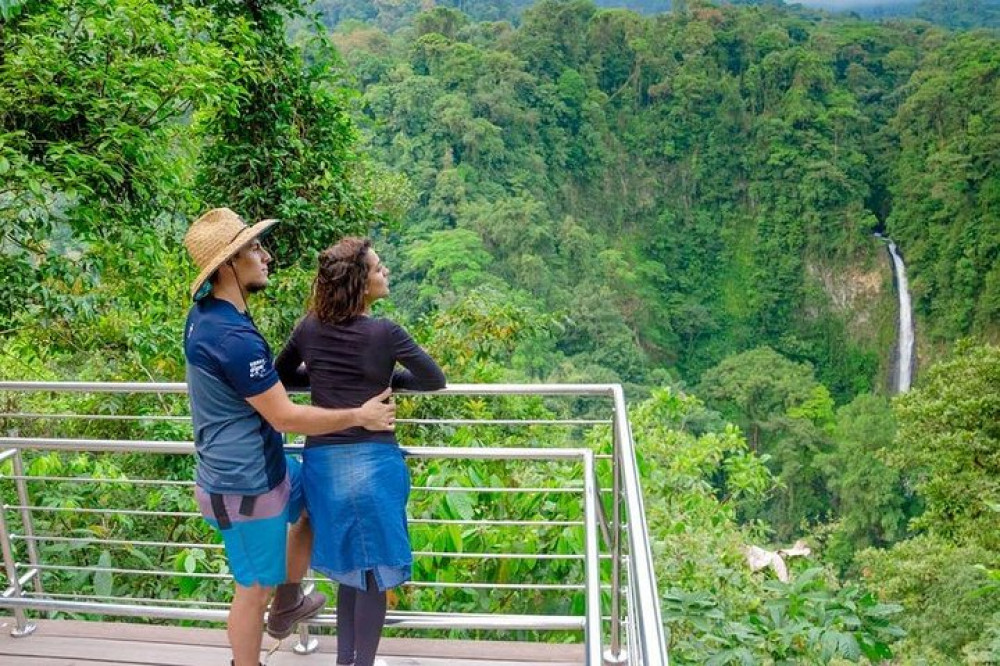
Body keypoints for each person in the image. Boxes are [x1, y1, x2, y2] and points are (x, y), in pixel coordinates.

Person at [182, 209, 396, 666]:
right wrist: (360, 413)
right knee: (252, 588)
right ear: (228, 267)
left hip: (268, 466)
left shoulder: (211, 315)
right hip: (243, 484)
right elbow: (284, 417)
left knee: (318, 503)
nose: (266, 256)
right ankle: (251, 655)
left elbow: (267, 388)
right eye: (255, 250)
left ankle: (288, 602)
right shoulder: (231, 338)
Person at [276, 237, 446, 666]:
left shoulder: (308, 328)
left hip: (325, 468)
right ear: (359, 284)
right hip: (373, 463)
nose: (384, 272)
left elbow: (280, 378)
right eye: (377, 268)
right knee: (373, 576)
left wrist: (323, 385)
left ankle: (345, 662)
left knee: (351, 573)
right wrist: (386, 383)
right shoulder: (385, 333)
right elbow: (433, 378)